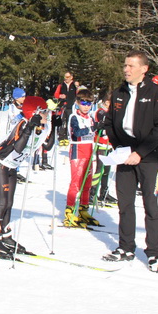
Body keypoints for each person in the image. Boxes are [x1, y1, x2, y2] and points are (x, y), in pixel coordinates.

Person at [102, 50, 158, 272]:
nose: (126, 69)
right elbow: (111, 123)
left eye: (131, 66)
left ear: (144, 69)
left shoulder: (156, 92)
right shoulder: (119, 92)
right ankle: (126, 247)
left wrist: (140, 152)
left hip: (149, 156)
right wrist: (120, 148)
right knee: (124, 203)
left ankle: (154, 252)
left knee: (151, 205)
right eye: (125, 65)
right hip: (125, 154)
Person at [0, 96, 50, 258]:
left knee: (9, 202)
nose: (47, 115)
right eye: (44, 112)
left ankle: (5, 235)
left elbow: (48, 146)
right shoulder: (22, 124)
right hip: (1, 164)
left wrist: (56, 127)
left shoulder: (43, 127)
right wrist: (29, 126)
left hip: (12, 167)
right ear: (34, 113)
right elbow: (17, 147)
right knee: (2, 202)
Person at [64, 89, 101, 228]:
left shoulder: (90, 117)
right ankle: (69, 211)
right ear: (78, 103)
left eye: (89, 103)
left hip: (89, 151)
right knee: (76, 182)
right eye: (83, 102)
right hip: (77, 151)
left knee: (87, 183)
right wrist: (92, 128)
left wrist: (100, 130)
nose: (86, 106)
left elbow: (94, 132)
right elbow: (76, 133)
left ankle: (83, 210)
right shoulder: (74, 117)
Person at [92, 94, 116, 206]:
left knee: (106, 170)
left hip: (109, 144)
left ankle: (104, 193)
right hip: (101, 143)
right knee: (99, 170)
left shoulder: (112, 112)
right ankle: (92, 192)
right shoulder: (101, 111)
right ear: (106, 102)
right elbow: (102, 123)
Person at [54, 72, 79, 144]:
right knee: (62, 122)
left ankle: (69, 137)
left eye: (68, 77)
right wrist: (60, 96)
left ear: (71, 77)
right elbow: (56, 94)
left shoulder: (74, 85)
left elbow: (78, 94)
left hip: (71, 106)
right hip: (63, 106)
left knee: (70, 122)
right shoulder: (61, 85)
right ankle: (61, 137)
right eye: (65, 77)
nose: (66, 78)